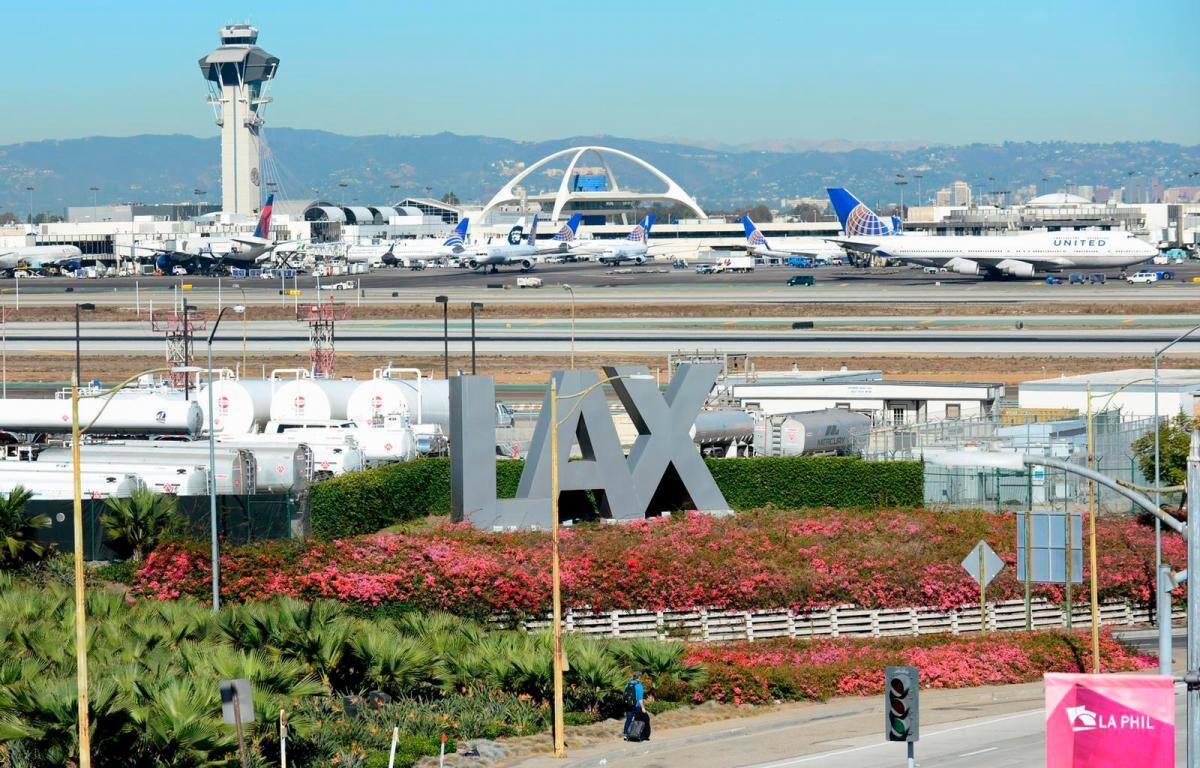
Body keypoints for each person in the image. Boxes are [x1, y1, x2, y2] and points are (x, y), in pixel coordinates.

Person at [622, 671, 645, 740]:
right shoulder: (639, 686)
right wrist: (643, 708)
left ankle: (626, 734)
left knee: (628, 719)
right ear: (639, 677)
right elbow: (640, 699)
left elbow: (624, 695)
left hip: (628, 705)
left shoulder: (627, 685)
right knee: (638, 720)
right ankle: (635, 734)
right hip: (637, 706)